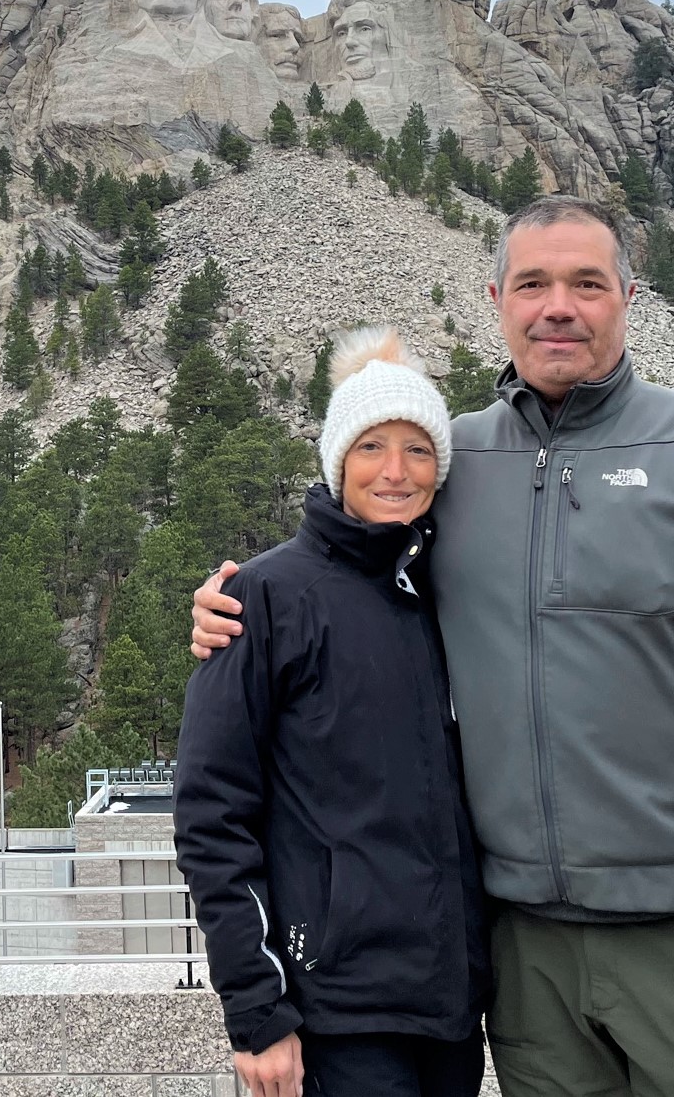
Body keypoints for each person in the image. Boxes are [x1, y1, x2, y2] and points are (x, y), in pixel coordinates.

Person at [192, 195, 674, 1097]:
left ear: (627, 295)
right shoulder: (452, 462)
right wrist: (231, 610)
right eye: (533, 284)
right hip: (522, 953)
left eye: (586, 283)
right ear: (497, 298)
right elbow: (341, 572)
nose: (558, 305)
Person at [175, 327, 490, 1097]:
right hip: (333, 1008)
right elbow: (211, 813)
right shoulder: (264, 596)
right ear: (335, 461)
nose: (395, 470)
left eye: (418, 450)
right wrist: (256, 1008)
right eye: (371, 446)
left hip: (448, 1012)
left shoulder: (447, 597)